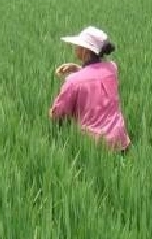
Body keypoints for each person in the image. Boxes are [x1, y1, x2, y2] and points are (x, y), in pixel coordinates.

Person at [49, 26, 131, 154]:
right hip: (120, 142)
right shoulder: (112, 69)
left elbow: (57, 115)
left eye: (78, 46)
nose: (75, 48)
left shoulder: (73, 81)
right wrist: (78, 69)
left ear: (85, 51)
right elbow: (95, 76)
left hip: (94, 147)